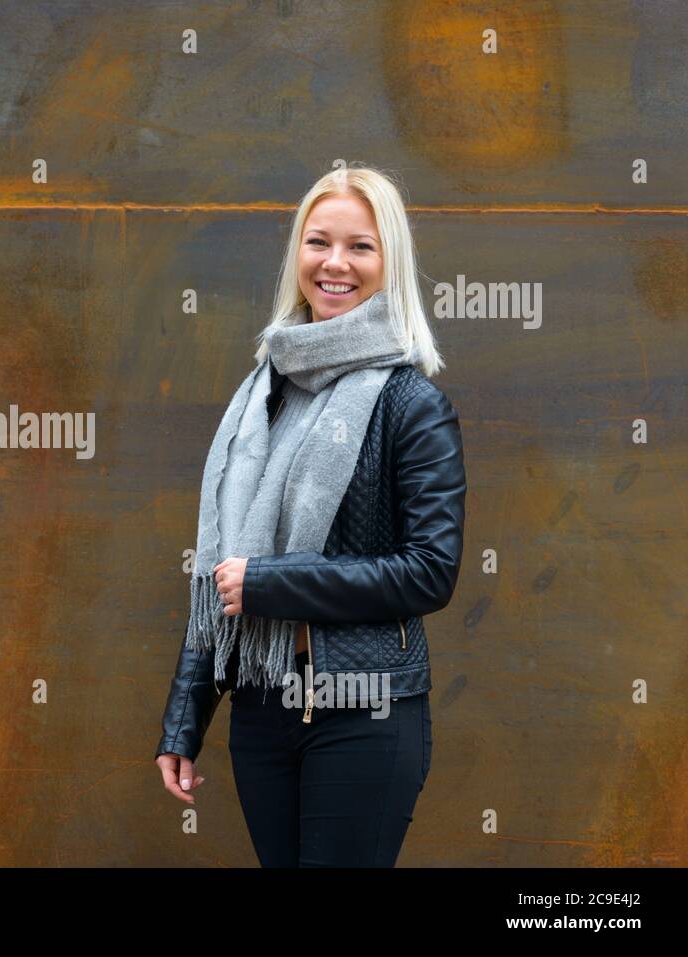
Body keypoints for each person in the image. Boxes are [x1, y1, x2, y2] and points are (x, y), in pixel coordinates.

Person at [153, 165, 467, 867]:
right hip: (263, 710)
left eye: (361, 246)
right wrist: (185, 717)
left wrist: (276, 582)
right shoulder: (260, 399)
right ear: (298, 255)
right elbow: (220, 571)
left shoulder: (411, 406)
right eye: (318, 241)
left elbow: (431, 572)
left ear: (391, 264)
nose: (335, 263)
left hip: (366, 713)